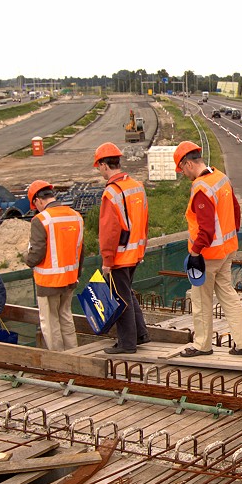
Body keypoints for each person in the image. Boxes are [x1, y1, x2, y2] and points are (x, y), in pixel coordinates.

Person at [173, 141, 242, 357]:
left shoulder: (202, 188)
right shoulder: (220, 177)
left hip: (208, 255)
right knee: (228, 294)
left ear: (188, 163)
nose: (183, 174)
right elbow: (236, 211)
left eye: (182, 169)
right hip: (227, 250)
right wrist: (231, 235)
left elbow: (206, 229)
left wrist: (194, 252)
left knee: (201, 300)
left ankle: (202, 345)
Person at [93, 142, 149, 354]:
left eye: (98, 166)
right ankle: (141, 334)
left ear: (104, 165)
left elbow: (109, 231)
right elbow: (144, 221)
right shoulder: (136, 186)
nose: (99, 171)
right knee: (127, 293)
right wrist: (141, 249)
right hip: (135, 253)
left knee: (121, 298)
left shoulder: (111, 193)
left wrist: (107, 261)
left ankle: (127, 343)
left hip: (119, 256)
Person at [24, 180, 84, 351]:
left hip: (48, 282)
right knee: (65, 317)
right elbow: (81, 250)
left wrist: (26, 258)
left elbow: (36, 254)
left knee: (50, 323)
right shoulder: (75, 216)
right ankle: (74, 354)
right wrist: (76, 275)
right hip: (70, 279)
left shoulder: (41, 220)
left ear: (38, 200)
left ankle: (60, 360)